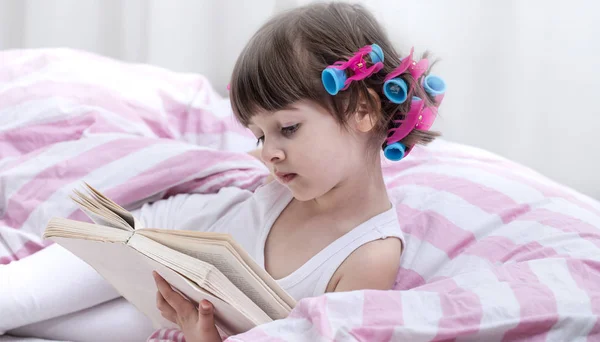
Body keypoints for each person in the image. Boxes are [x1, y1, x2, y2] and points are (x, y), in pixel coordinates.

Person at [150, 2, 445, 341]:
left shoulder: (368, 256)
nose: (268, 153)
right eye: (260, 135)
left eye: (288, 128)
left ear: (362, 110)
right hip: (171, 263)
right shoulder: (283, 183)